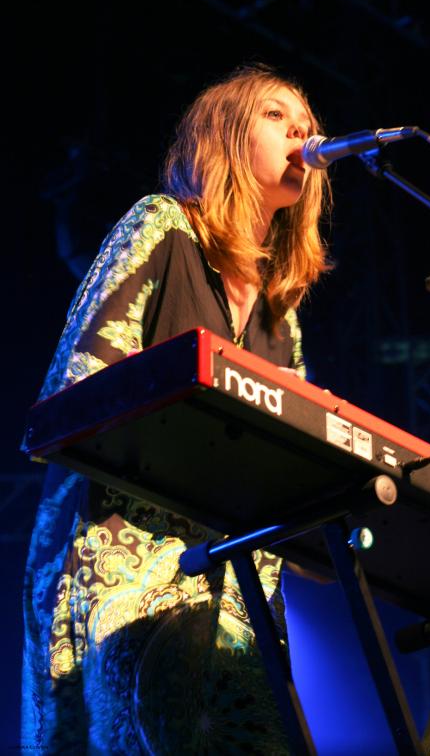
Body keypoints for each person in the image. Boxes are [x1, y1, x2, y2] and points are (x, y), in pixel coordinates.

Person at [22, 65, 331, 754]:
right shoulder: (161, 224)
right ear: (222, 135)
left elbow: (295, 472)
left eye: (308, 121)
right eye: (278, 116)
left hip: (236, 601)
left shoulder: (284, 318)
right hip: (122, 575)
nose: (304, 131)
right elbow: (81, 391)